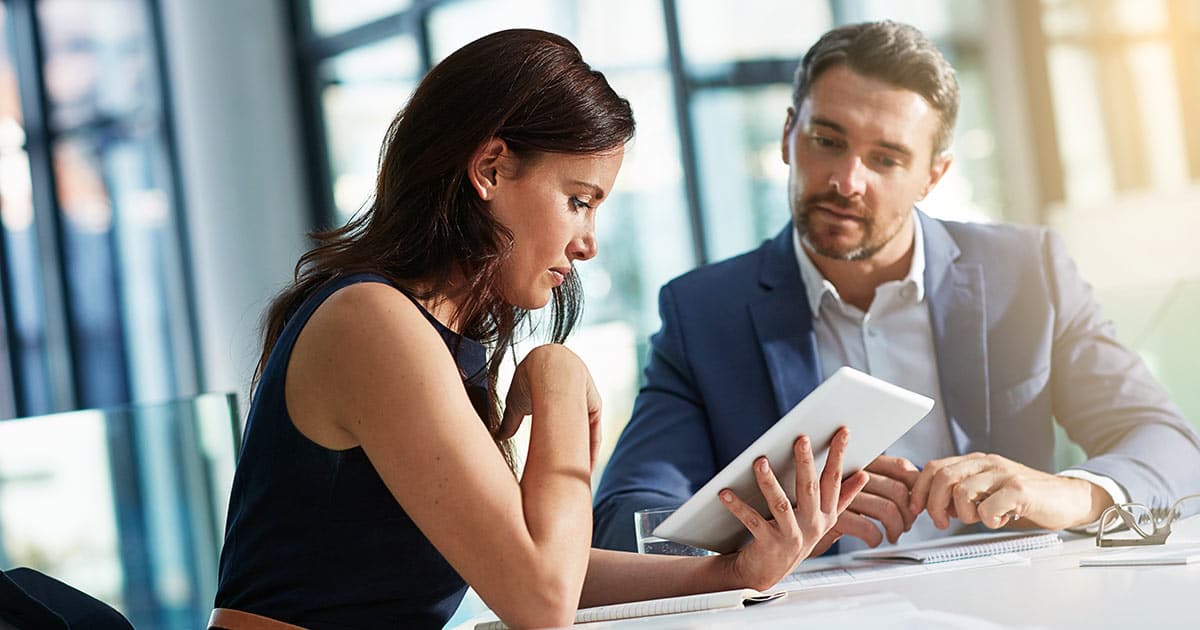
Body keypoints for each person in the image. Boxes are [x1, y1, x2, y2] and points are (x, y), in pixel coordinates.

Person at [214, 29, 869, 630]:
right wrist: (559, 376)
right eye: (578, 200)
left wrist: (732, 573)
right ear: (491, 168)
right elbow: (542, 600)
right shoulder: (371, 323)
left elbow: (542, 565)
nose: (587, 244)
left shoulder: (427, 336)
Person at [593, 20, 1200, 554]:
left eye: (885, 159)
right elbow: (624, 520)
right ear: (787, 135)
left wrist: (1068, 494)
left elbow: (1170, 445)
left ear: (933, 176)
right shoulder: (705, 313)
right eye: (826, 141)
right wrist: (773, 527)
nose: (846, 181)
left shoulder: (1025, 275)